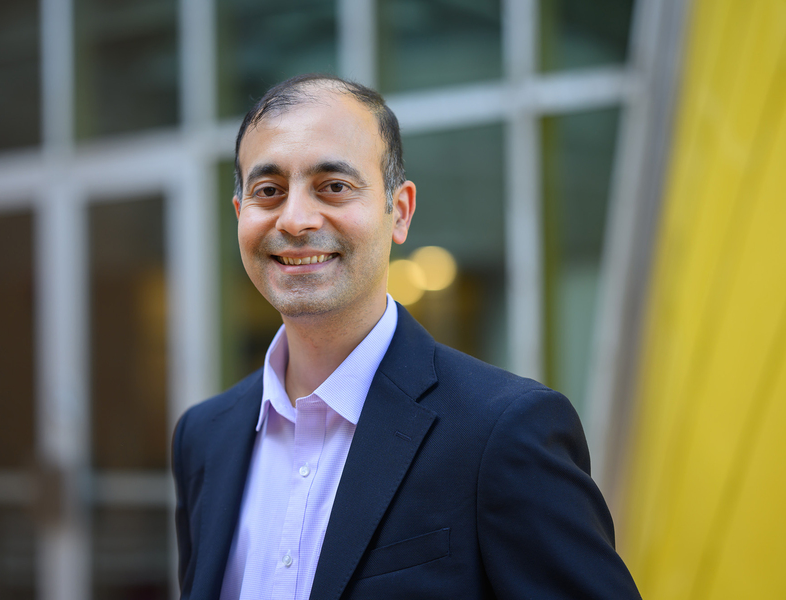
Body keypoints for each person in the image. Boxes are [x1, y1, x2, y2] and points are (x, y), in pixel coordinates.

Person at [171, 73, 641, 600]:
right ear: (240, 215)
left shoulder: (502, 432)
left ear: (399, 212)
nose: (296, 218)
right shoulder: (204, 438)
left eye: (334, 186)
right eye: (268, 191)